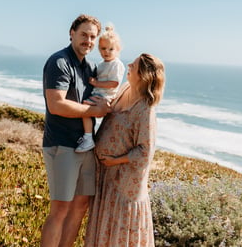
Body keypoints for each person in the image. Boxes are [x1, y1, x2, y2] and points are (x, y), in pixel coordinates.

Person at [41, 14, 110, 247]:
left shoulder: (89, 66)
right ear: (72, 33)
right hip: (62, 145)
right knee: (60, 209)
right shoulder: (59, 62)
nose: (88, 41)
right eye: (84, 34)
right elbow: (56, 104)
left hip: (86, 146)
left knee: (80, 206)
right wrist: (94, 112)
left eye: (93, 37)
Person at [84, 53, 166, 247]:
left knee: (118, 233)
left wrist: (115, 160)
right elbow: (114, 112)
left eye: (134, 65)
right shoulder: (125, 89)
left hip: (124, 184)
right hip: (107, 177)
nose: (128, 64)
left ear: (143, 75)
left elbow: (145, 152)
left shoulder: (145, 109)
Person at [76, 24, 125, 153]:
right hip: (99, 93)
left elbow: (114, 83)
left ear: (118, 49)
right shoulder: (102, 64)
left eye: (111, 49)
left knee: (85, 108)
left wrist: (96, 83)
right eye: (103, 48)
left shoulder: (116, 64)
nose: (106, 52)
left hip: (106, 96)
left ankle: (88, 138)